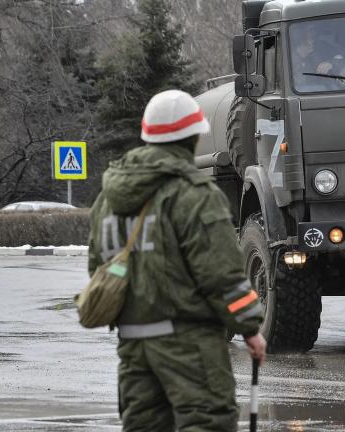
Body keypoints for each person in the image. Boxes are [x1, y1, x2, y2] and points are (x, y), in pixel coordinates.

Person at [87, 89, 266, 432]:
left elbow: (99, 269)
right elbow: (223, 276)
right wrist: (250, 328)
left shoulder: (107, 201)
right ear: (190, 139)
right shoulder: (195, 196)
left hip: (134, 350)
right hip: (191, 347)